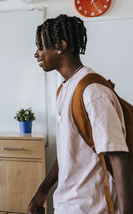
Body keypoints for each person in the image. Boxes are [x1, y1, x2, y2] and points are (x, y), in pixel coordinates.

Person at [28, 14, 133, 214]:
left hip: (94, 208)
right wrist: (43, 190)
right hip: (67, 205)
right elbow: (68, 150)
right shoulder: (65, 89)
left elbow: (118, 157)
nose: (36, 54)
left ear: (61, 45)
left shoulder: (92, 92)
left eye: (41, 46)